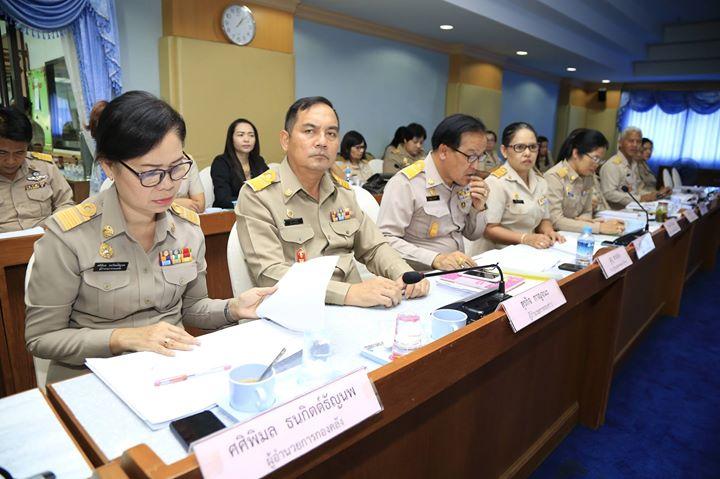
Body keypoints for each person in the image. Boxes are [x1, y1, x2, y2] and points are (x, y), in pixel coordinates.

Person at [24, 91, 276, 383]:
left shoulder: (187, 229)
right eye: (150, 173)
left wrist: (234, 307)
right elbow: (43, 338)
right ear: (108, 166)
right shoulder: (69, 236)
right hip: (90, 378)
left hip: (169, 372)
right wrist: (123, 338)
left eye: (176, 168)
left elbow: (192, 308)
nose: (167, 185)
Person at [236, 96, 429, 307]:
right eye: (309, 131)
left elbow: (374, 247)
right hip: (295, 311)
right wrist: (348, 293)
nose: (322, 141)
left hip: (355, 309)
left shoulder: (343, 193)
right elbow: (269, 273)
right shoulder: (259, 196)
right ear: (285, 140)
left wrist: (404, 273)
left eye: (331, 134)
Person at [377, 114, 489, 271]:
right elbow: (385, 240)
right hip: (419, 275)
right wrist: (435, 259)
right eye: (470, 156)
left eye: (480, 157)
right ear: (444, 151)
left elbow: (473, 235)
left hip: (457, 271)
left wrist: (478, 208)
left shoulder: (463, 181)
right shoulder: (406, 183)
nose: (475, 166)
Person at [471, 122, 565, 254]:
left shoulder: (541, 182)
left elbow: (544, 219)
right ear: (504, 151)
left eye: (533, 147)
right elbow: (489, 229)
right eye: (519, 147)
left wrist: (549, 231)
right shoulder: (496, 182)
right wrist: (525, 238)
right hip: (498, 254)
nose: (527, 153)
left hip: (529, 251)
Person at [0, 106, 74, 233]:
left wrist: (53, 226)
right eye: (2, 153)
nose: (11, 161)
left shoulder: (45, 167)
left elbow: (66, 203)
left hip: (46, 239)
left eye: (19, 153)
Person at [545, 129, 625, 234]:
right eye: (595, 158)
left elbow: (587, 210)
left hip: (577, 233)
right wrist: (598, 227)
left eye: (600, 160)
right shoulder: (554, 177)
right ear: (576, 153)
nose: (597, 164)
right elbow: (555, 221)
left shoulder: (588, 176)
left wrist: (584, 220)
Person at [599, 126, 664, 208]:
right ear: (620, 142)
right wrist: (640, 198)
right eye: (631, 141)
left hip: (633, 209)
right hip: (615, 211)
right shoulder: (612, 165)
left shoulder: (634, 164)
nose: (635, 145)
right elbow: (609, 193)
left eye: (638, 142)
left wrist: (652, 195)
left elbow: (635, 190)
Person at [211, 118, 269, 209]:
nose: (246, 139)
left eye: (251, 135)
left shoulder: (259, 161)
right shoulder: (221, 163)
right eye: (241, 135)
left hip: (257, 212)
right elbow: (223, 199)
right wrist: (255, 202)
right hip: (229, 213)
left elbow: (270, 190)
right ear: (231, 138)